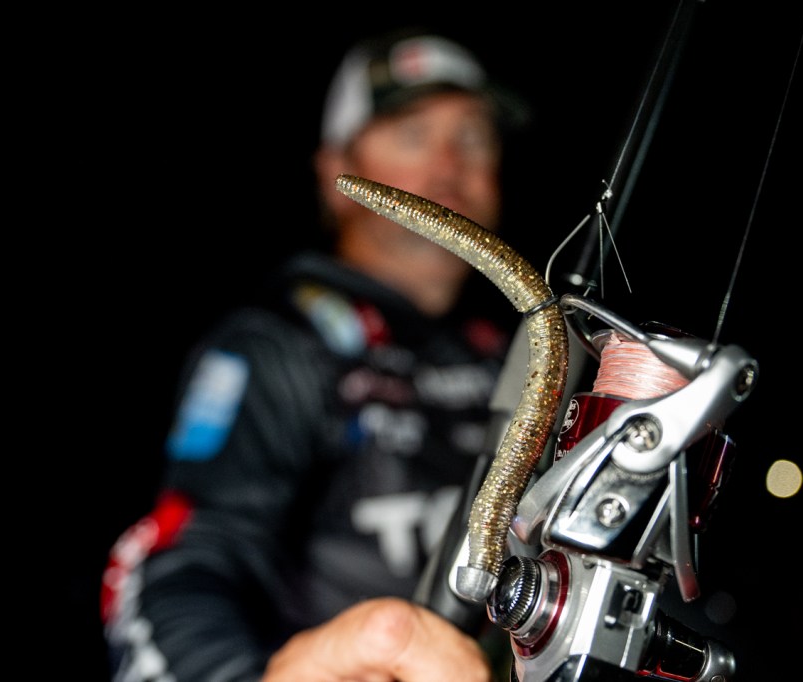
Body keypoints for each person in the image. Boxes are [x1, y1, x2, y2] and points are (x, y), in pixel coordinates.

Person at [101, 26, 531, 682]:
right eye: (412, 135)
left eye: (473, 136)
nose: (449, 164)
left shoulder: (510, 352)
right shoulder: (279, 344)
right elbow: (178, 561)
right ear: (336, 175)